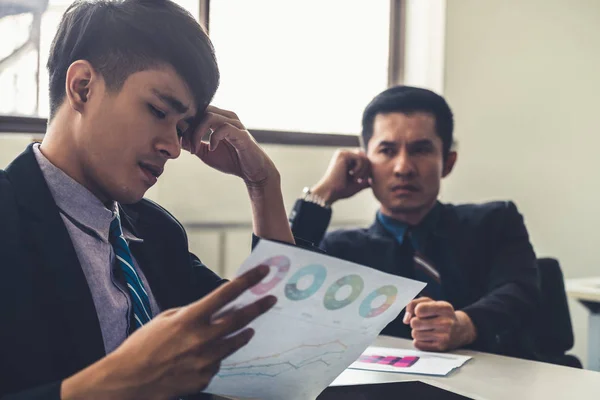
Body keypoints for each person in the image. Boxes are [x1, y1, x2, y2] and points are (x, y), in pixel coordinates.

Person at [0, 1, 295, 399]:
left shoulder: (156, 232)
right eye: (158, 110)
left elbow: (275, 339)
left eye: (183, 128)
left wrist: (263, 184)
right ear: (83, 87)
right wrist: (113, 384)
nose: (173, 147)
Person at [289, 85, 541, 359]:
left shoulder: (495, 222)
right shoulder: (341, 251)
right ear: (364, 162)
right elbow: (277, 293)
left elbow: (520, 291)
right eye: (386, 150)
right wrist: (322, 193)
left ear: (448, 162)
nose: (403, 168)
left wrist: (466, 325)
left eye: (421, 150)